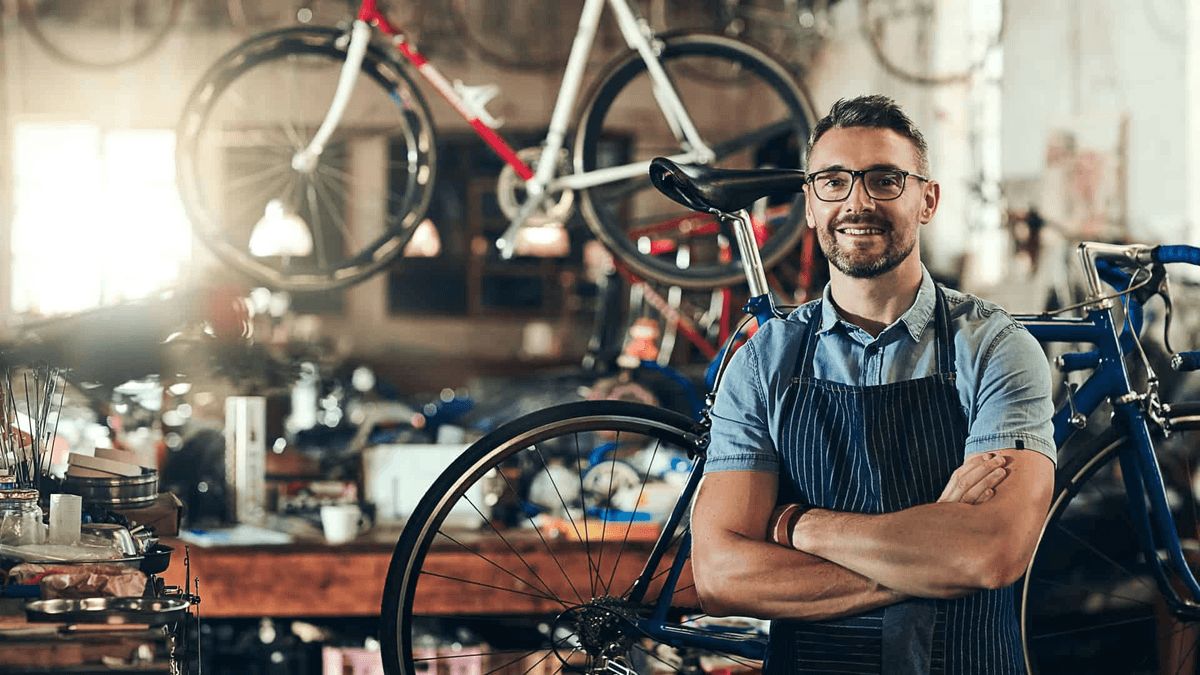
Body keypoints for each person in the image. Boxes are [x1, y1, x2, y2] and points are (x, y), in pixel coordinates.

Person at [689, 94, 1056, 674]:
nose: (858, 202)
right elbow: (720, 576)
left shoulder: (995, 349)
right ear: (809, 204)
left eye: (885, 180)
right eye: (834, 181)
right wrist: (932, 562)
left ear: (927, 200)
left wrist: (796, 525)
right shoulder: (764, 363)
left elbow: (990, 552)